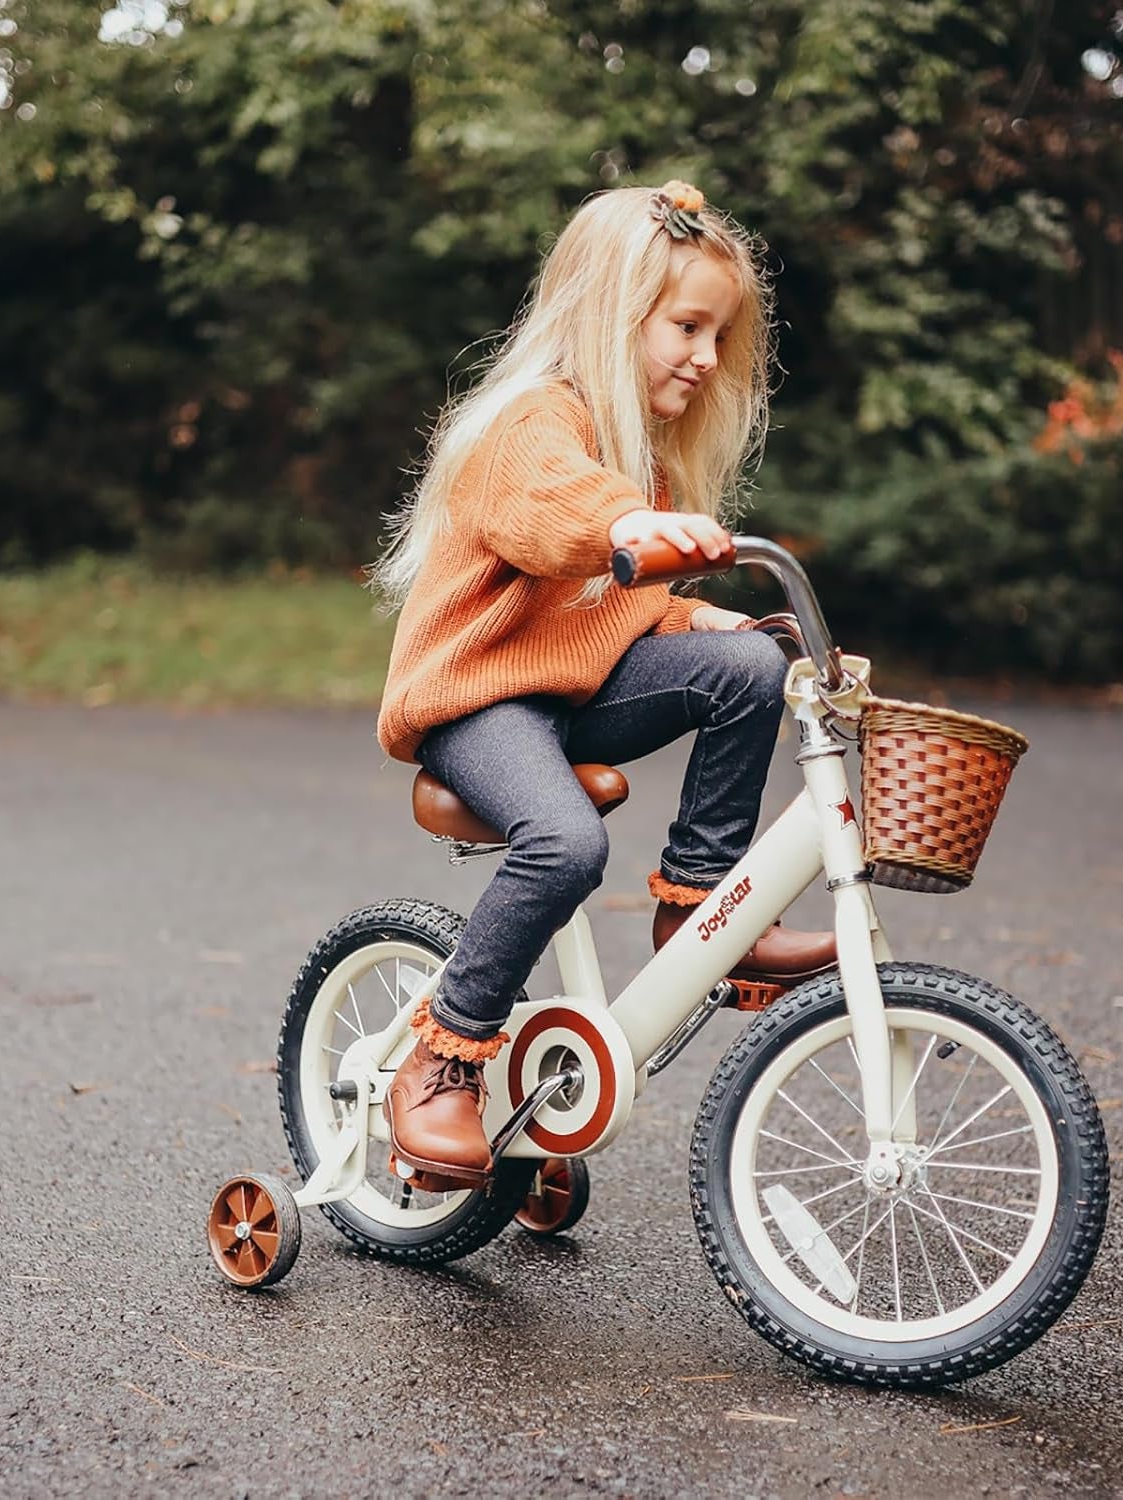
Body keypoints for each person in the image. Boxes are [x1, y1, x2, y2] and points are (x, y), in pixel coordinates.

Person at [369, 180, 835, 1187]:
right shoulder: (533, 425)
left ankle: (701, 906)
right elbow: (553, 513)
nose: (708, 357)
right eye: (687, 326)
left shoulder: (643, 461)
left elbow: (616, 610)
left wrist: (707, 616)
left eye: (721, 335)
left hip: (568, 690)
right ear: (611, 316)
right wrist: (626, 525)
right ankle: (442, 1058)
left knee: (749, 670)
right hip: (478, 697)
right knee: (566, 843)